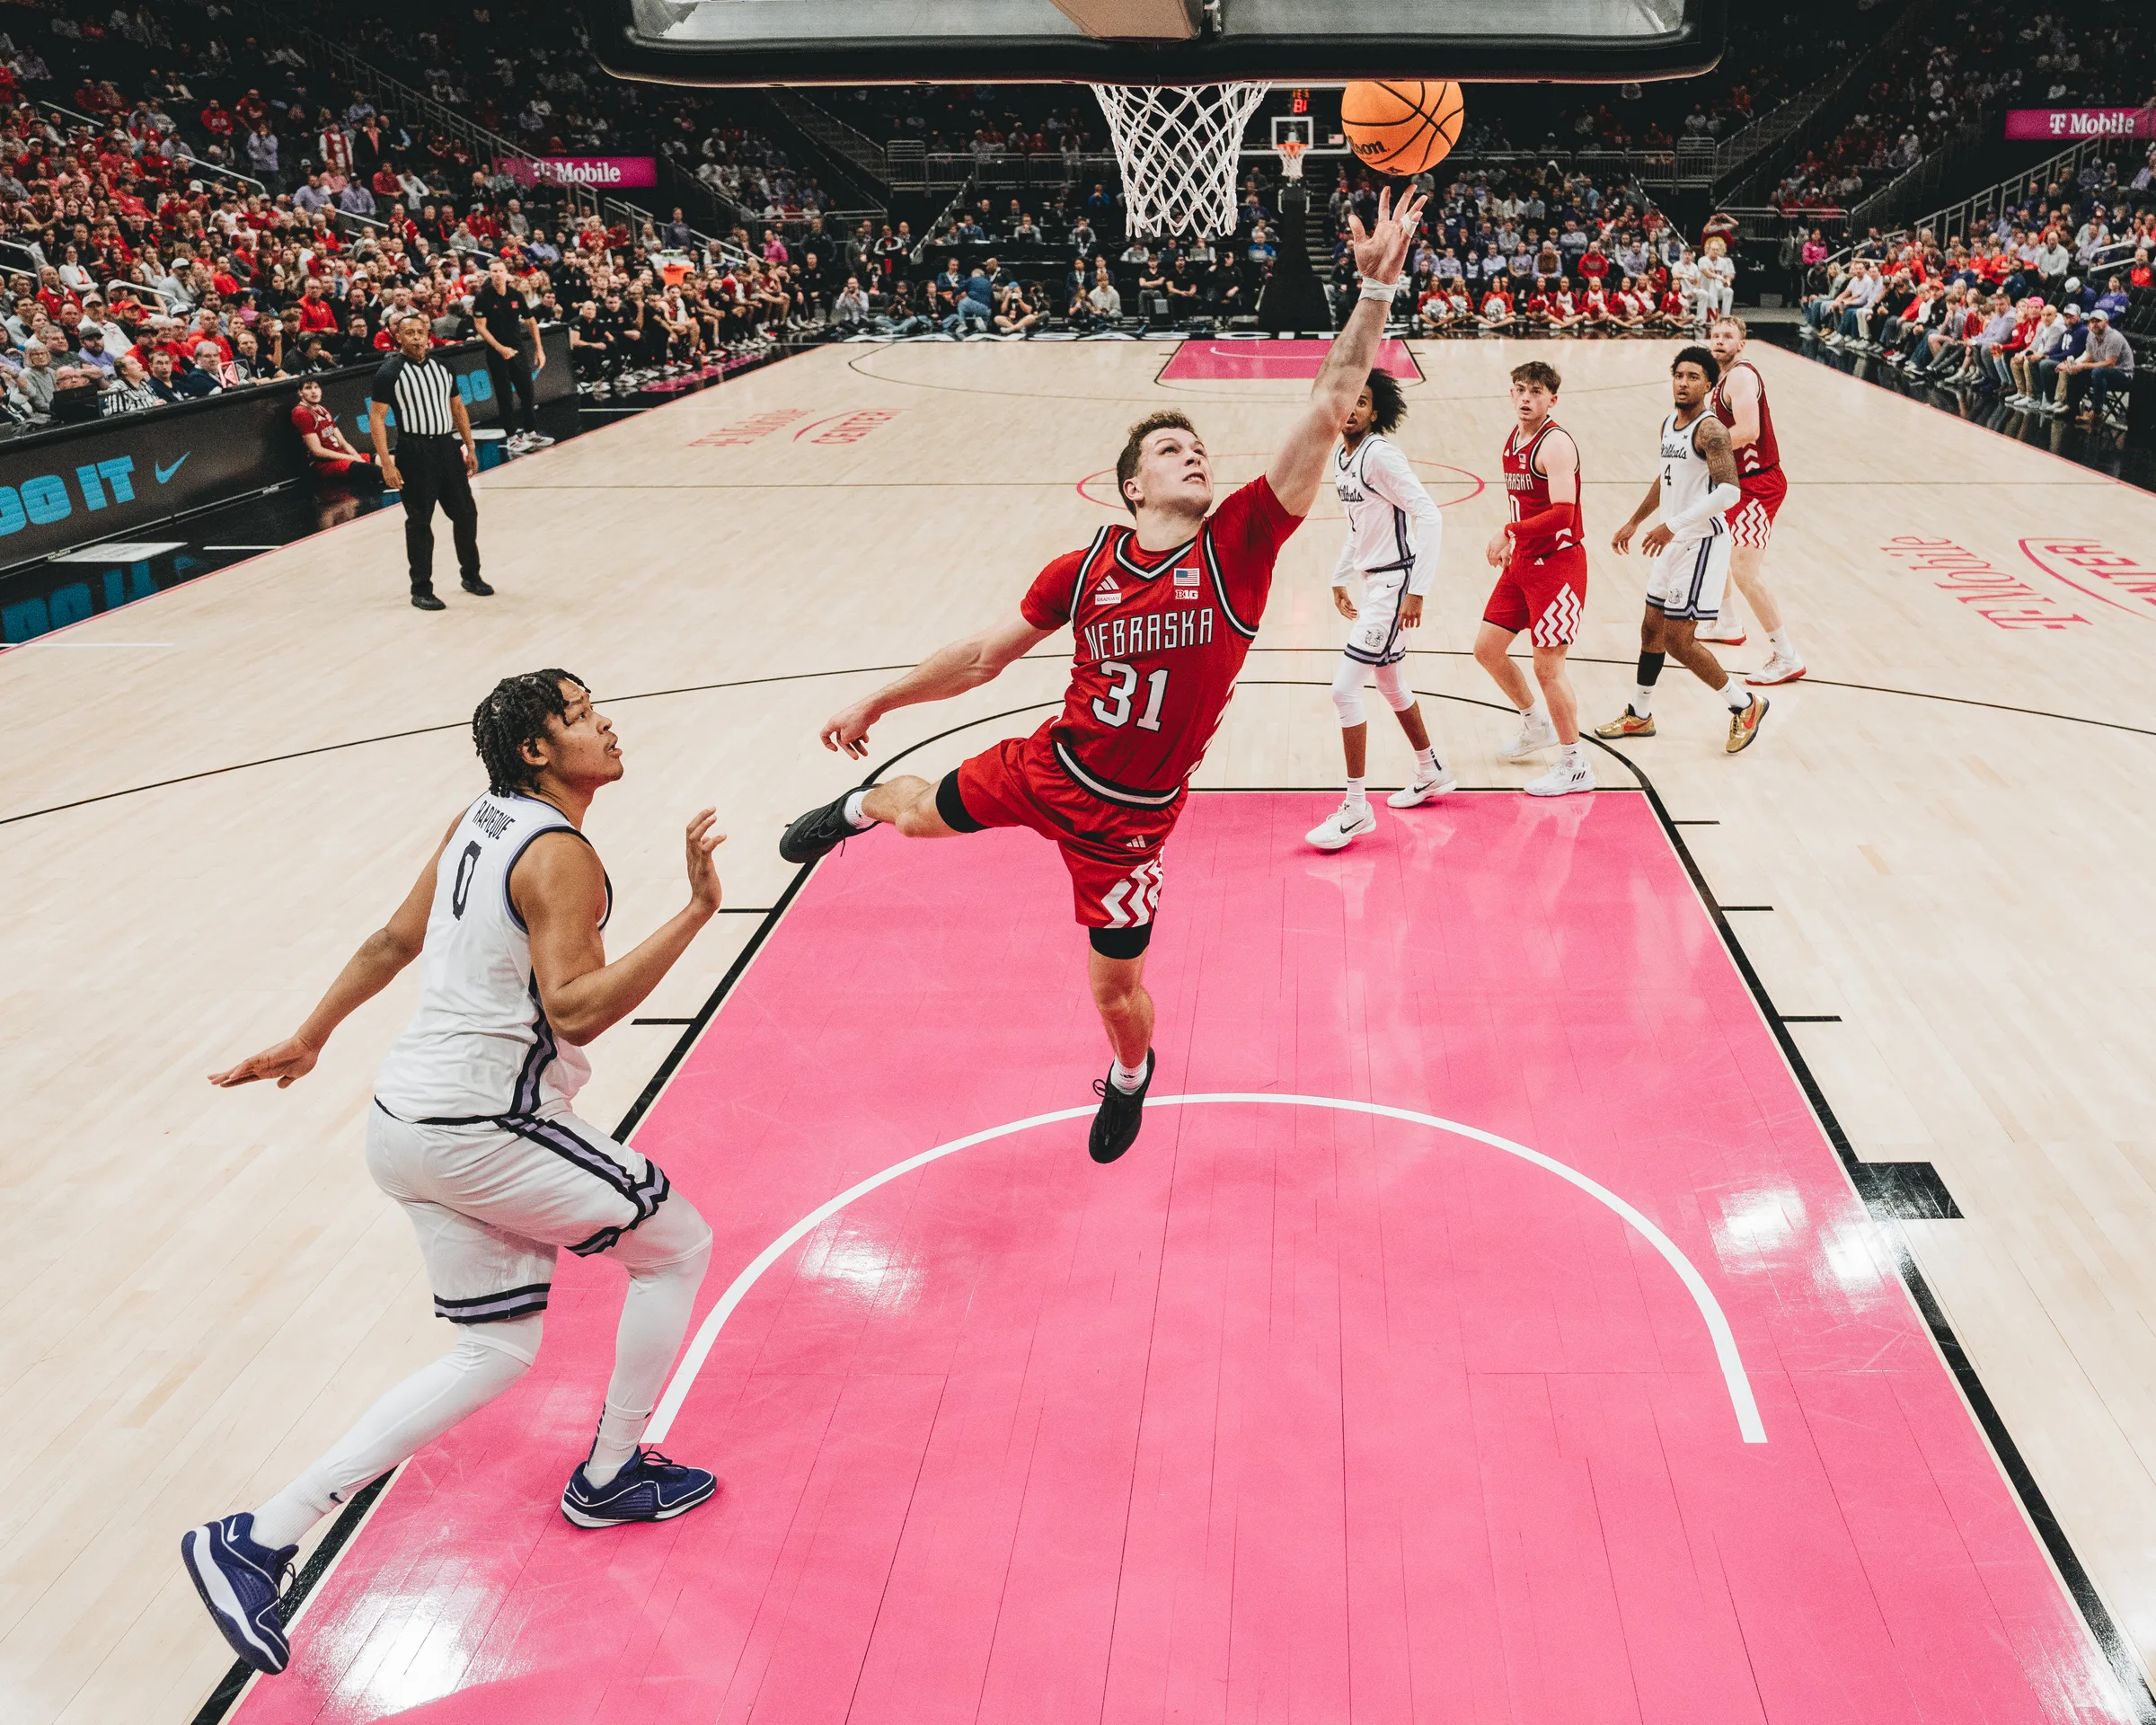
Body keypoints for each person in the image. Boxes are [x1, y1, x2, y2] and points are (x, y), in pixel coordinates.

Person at [776, 187, 1428, 1165]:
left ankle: (1130, 1077)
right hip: (1048, 767)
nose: (1194, 453)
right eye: (1172, 449)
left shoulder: (1242, 543)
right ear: (1133, 485)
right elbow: (982, 657)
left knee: (1115, 996)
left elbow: (1332, 403)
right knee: (912, 815)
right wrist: (881, 698)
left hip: (1131, 819)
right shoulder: (1084, 568)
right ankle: (857, 807)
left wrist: (1375, 290)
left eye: (1198, 445)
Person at [181, 673, 726, 1678]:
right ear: (534, 752)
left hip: (404, 1123)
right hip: (484, 1125)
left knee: (496, 1351)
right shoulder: (559, 852)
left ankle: (258, 1537)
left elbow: (394, 938)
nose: (605, 724)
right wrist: (696, 911)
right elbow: (576, 1010)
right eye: (578, 716)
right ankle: (609, 1473)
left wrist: (311, 1036)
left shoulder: (480, 818)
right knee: (677, 1245)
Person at [1306, 367, 1452, 851]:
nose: (1353, 409)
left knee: (1344, 690)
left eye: (1363, 402)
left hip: (1394, 586)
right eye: (1348, 399)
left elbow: (1428, 515)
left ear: (1375, 411)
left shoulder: (1380, 456)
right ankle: (1431, 769)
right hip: (1373, 583)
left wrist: (1418, 591)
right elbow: (1358, 526)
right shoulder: (1342, 459)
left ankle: (1355, 807)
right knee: (1390, 682)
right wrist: (1339, 576)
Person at [1596, 348, 1769, 754]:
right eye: (1679, 375)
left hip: (1701, 543)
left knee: (1679, 639)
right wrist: (1636, 520)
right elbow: (1668, 477)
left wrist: (1670, 526)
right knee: (1650, 629)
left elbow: (1729, 491)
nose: (1683, 382)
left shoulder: (1711, 431)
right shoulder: (1670, 425)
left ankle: (1745, 704)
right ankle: (1639, 714)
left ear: (1709, 385)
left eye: (1693, 376)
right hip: (1673, 542)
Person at [1473, 360, 1591, 796]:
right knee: (1487, 650)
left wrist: (1508, 531)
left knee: (1548, 669)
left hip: (1558, 568)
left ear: (1552, 399)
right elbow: (1525, 503)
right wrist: (1513, 538)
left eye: (1536, 392)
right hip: (1522, 562)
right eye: (1520, 389)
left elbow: (1564, 512)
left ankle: (1575, 764)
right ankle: (1534, 723)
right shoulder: (1514, 438)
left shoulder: (1555, 443)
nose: (1526, 398)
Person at [1699, 316, 1802, 684]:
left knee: (1745, 572)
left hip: (1759, 485)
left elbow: (1748, 431)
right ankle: (1727, 622)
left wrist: (1699, 446)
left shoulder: (1742, 376)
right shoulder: (1720, 380)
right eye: (1715, 336)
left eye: (1728, 336)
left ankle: (1787, 655)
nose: (1720, 341)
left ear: (1742, 343)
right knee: (1712, 544)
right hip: (1735, 482)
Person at [370, 313, 491, 611]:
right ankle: (421, 588)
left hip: (447, 447)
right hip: (414, 450)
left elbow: (458, 407)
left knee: (466, 513)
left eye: (420, 331)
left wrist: (469, 447)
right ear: (397, 337)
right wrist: (387, 463)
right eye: (408, 332)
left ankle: (471, 575)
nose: (415, 337)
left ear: (428, 335)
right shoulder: (390, 371)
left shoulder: (442, 365)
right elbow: (377, 417)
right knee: (420, 521)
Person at [473, 257, 550, 454]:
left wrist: (538, 349)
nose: (497, 275)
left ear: (507, 273)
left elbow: (531, 321)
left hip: (517, 348)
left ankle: (531, 431)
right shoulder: (483, 297)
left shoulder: (516, 295)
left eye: (500, 271)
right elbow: (480, 327)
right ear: (489, 274)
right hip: (496, 352)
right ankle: (511, 437)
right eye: (494, 271)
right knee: (504, 394)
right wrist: (500, 348)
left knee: (526, 390)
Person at [292, 375, 376, 476]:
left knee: (388, 461)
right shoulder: (301, 413)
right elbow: (317, 451)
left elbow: (343, 443)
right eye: (308, 388)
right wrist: (352, 458)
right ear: (300, 393)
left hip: (342, 458)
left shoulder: (322, 409)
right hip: (323, 465)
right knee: (374, 470)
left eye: (316, 387)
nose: (313, 391)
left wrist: (356, 456)